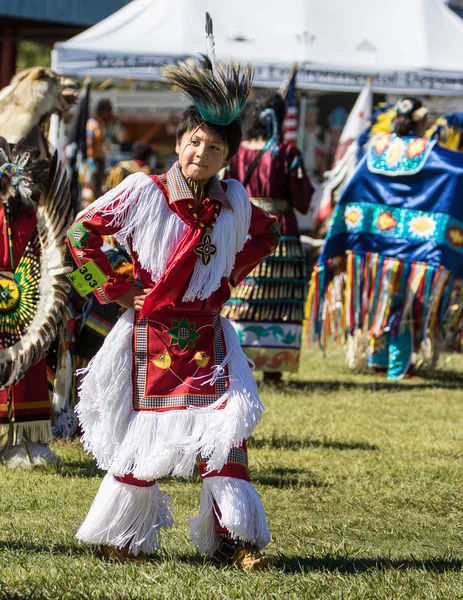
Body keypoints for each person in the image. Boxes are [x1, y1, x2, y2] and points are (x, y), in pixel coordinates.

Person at [67, 17, 280, 568]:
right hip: (151, 337)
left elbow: (269, 233)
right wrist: (113, 290)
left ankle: (235, 539)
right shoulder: (144, 192)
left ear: (227, 155)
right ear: (179, 142)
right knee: (148, 440)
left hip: (210, 335)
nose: (199, 156)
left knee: (225, 431)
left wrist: (230, 276)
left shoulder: (234, 202)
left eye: (213, 148)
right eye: (193, 143)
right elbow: (76, 236)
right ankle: (126, 537)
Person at [306, 97, 463, 380]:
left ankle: (379, 360)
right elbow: (456, 170)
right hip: (414, 243)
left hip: (371, 242)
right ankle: (397, 366)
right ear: (421, 121)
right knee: (403, 301)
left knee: (379, 297)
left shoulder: (376, 148)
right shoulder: (427, 150)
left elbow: (357, 186)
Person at [223, 92, 313, 383]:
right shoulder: (286, 153)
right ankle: (273, 367)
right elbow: (302, 200)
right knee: (280, 297)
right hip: (279, 231)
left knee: (240, 291)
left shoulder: (236, 153)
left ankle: (235, 359)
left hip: (244, 230)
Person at [83, 99, 126, 205]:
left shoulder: (102, 124)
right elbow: (89, 142)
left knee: (100, 189)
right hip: (94, 160)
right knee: (91, 189)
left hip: (101, 159)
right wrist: (90, 159)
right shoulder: (92, 124)